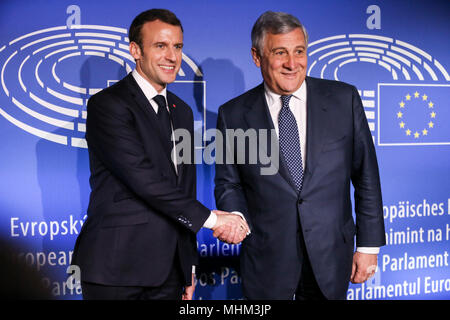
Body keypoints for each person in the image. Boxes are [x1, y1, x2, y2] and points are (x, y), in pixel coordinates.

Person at [72, 8, 248, 300]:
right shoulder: (108, 106)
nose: (172, 56)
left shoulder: (182, 111)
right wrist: (215, 221)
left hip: (169, 272)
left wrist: (188, 265)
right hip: (117, 270)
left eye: (177, 46)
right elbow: (144, 179)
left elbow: (184, 189)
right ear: (135, 50)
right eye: (160, 46)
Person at [214, 11, 385, 300]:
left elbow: (366, 175)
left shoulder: (345, 99)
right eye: (280, 53)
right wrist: (236, 217)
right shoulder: (232, 114)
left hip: (331, 255)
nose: (292, 64)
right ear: (257, 57)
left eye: (299, 51)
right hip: (267, 259)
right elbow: (228, 183)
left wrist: (368, 246)